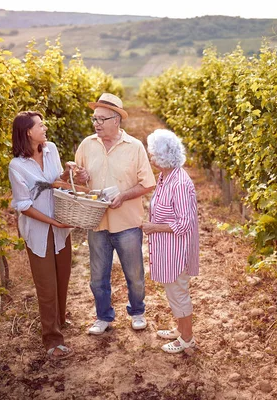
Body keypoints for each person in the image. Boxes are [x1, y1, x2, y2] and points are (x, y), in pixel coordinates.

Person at [74, 93, 156, 335]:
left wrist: (123, 196)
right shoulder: (87, 145)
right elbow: (78, 183)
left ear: (117, 120)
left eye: (101, 118)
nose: (96, 123)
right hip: (97, 222)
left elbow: (147, 184)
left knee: (135, 275)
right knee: (98, 277)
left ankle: (138, 312)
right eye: (94, 119)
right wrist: (80, 179)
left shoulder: (134, 147)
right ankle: (103, 316)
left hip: (127, 222)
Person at [8, 111, 75, 360]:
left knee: (62, 278)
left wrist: (70, 176)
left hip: (61, 227)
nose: (45, 127)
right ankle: (52, 340)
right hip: (39, 232)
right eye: (40, 124)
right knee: (47, 286)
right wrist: (52, 222)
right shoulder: (17, 166)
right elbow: (23, 205)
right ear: (28, 131)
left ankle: (58, 321)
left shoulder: (51, 150)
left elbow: (56, 182)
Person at [141, 129, 199, 354]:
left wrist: (153, 227)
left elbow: (185, 225)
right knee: (174, 293)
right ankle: (179, 328)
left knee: (179, 293)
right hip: (167, 250)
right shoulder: (165, 177)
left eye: (154, 154)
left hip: (177, 252)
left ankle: (187, 339)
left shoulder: (180, 183)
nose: (151, 158)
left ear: (164, 156)